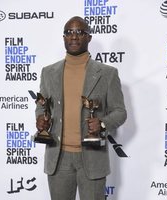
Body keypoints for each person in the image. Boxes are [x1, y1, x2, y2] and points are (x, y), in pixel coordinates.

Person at [35, 16, 127, 200]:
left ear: (89, 37)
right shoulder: (48, 72)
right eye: (69, 32)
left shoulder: (108, 73)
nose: (74, 36)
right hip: (58, 158)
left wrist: (102, 123)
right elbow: (42, 105)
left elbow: (120, 112)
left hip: (92, 157)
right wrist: (40, 118)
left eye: (80, 32)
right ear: (64, 37)